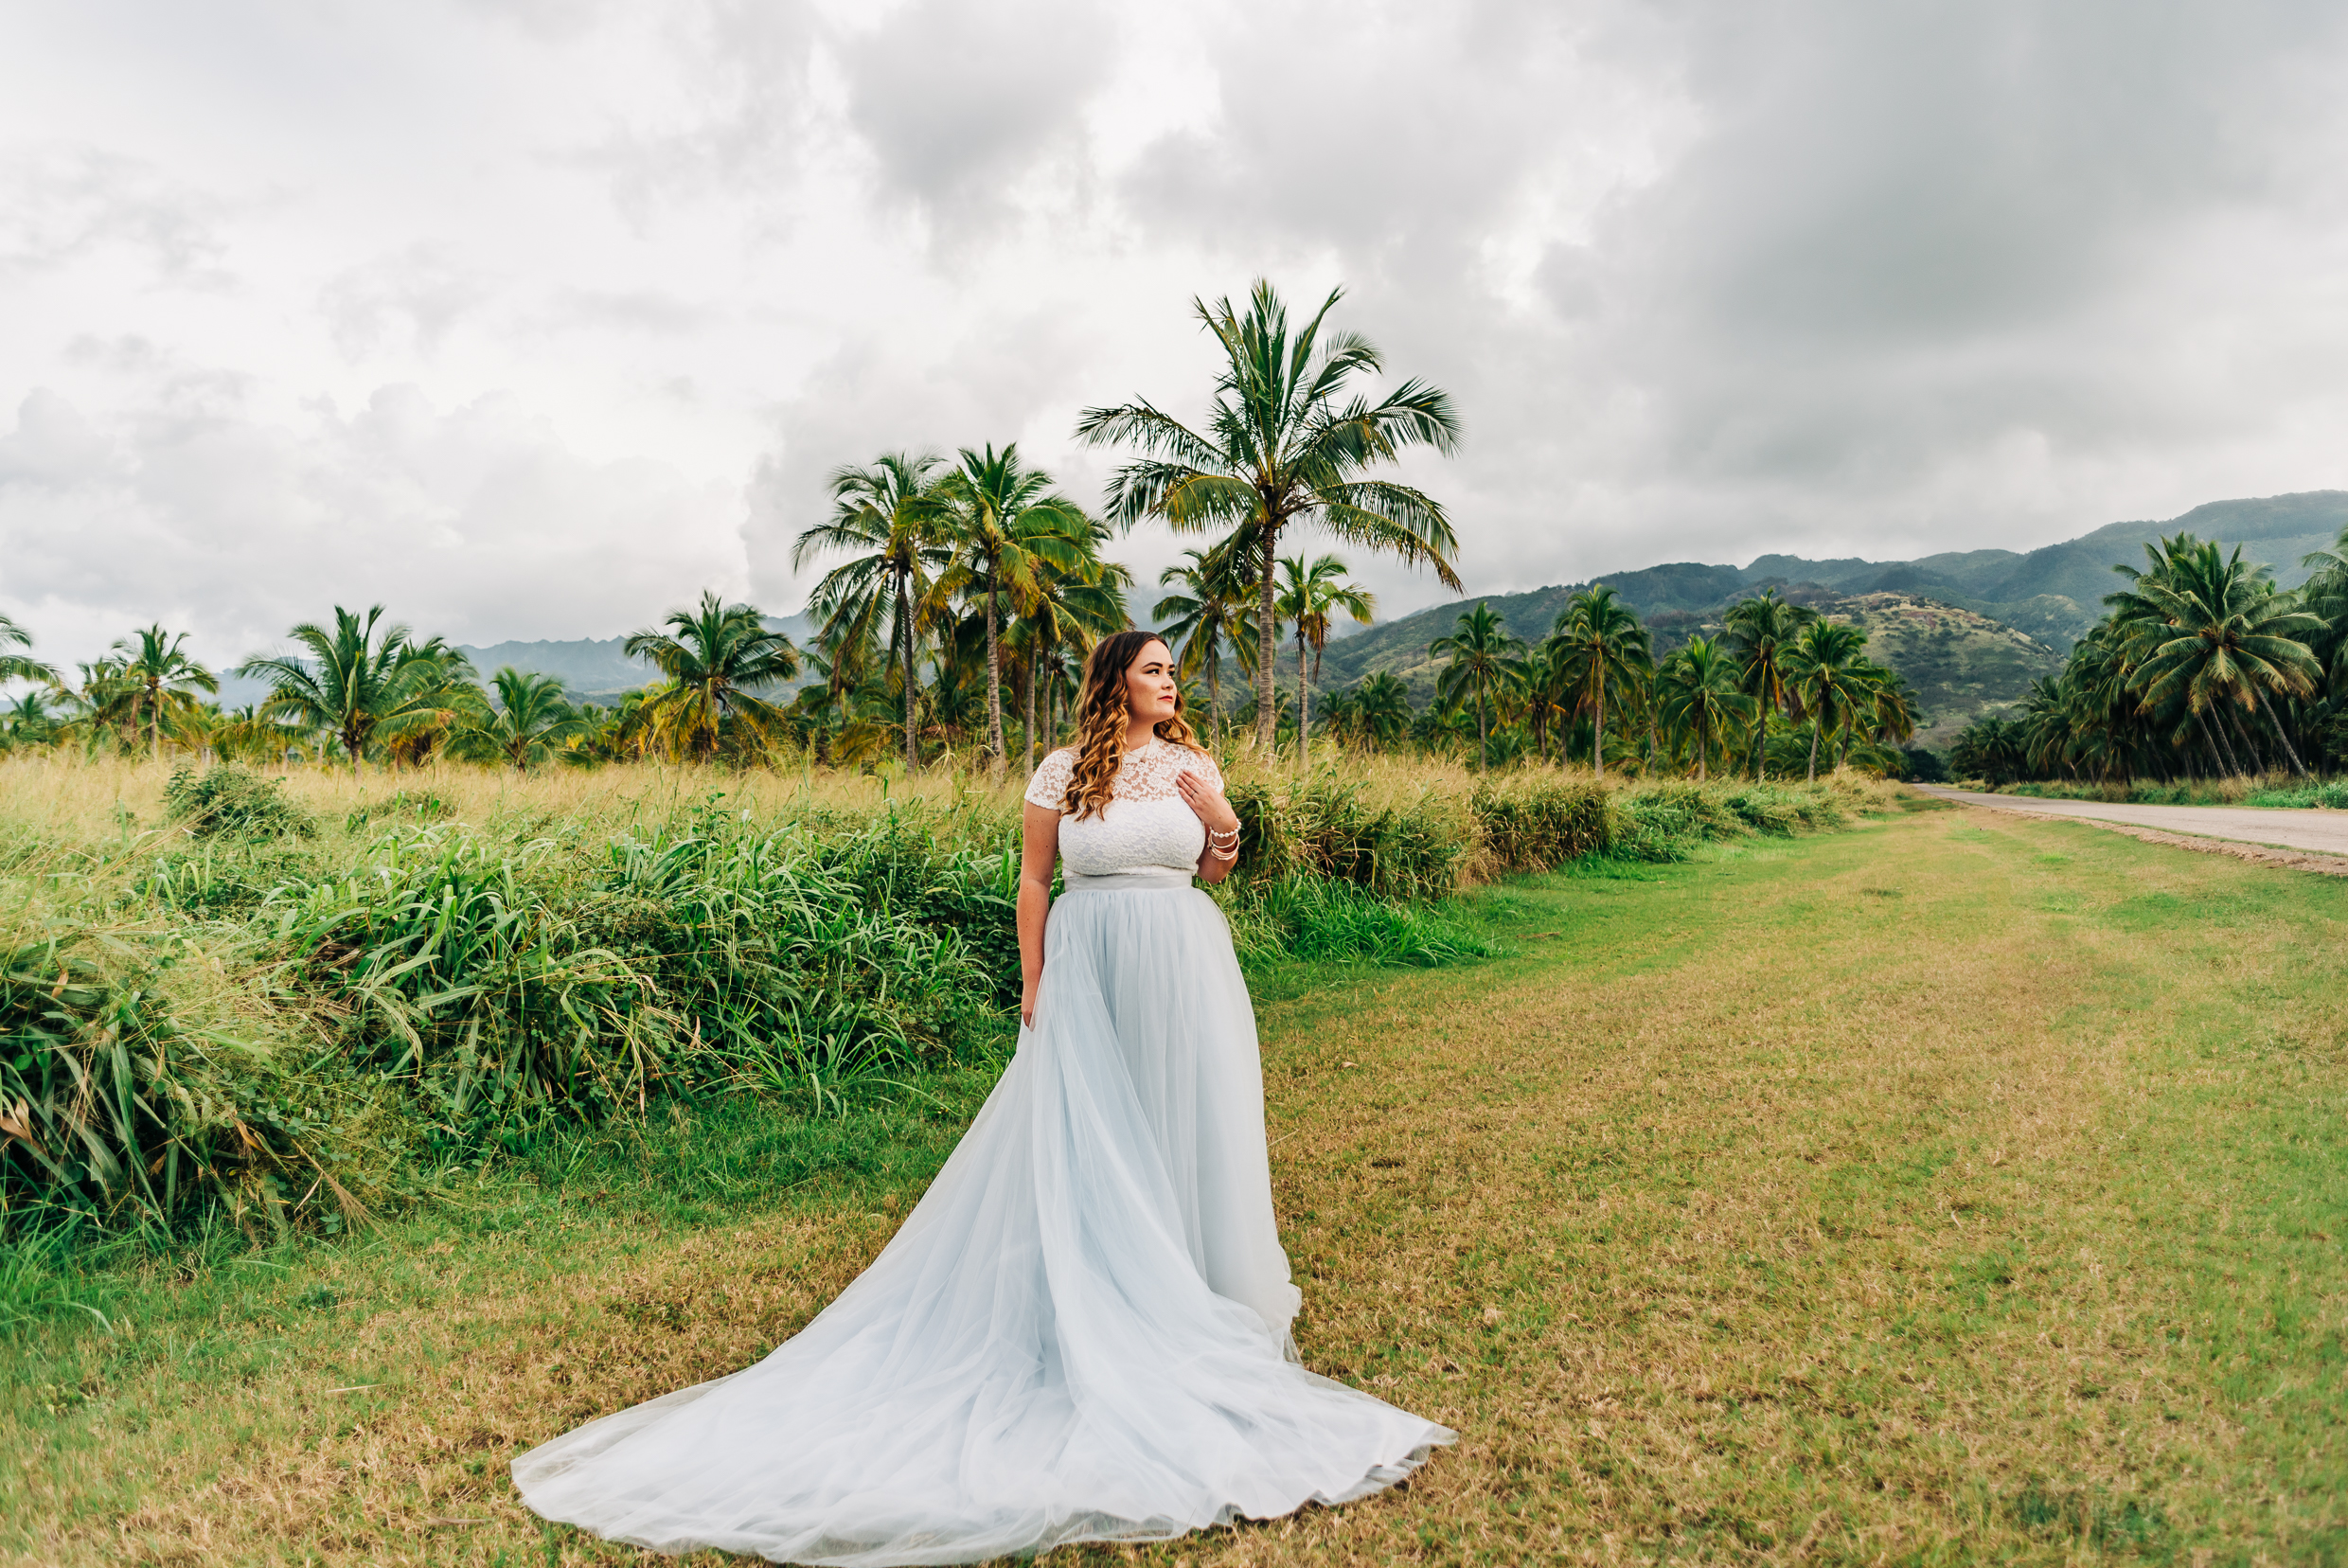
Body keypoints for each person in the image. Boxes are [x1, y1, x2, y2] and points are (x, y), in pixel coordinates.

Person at [511, 630, 1452, 1564]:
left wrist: (1220, 815)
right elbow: (1034, 880)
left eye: (1173, 671)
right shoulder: (1057, 771)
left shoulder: (1191, 763)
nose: (1171, 682)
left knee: (1179, 1128)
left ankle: (1188, 1291)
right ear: (1114, 682)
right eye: (1154, 669)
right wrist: (1032, 979)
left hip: (1183, 959)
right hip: (1089, 966)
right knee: (1090, 1134)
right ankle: (1091, 1302)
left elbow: (1213, 869)